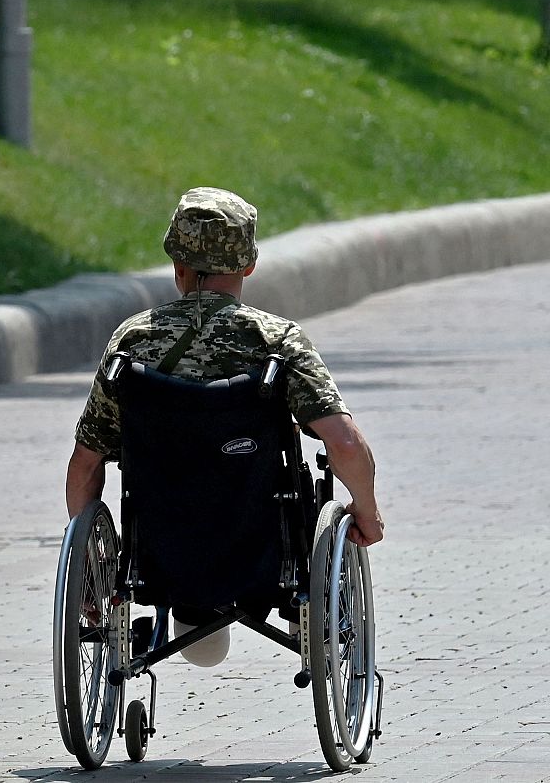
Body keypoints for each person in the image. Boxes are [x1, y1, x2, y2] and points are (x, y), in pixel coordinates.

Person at [66, 187, 383, 664]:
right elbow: (341, 440)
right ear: (248, 265)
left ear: (177, 263)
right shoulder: (276, 341)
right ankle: (301, 614)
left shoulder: (133, 341)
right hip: (263, 550)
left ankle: (188, 618)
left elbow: (86, 463)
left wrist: (90, 570)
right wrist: (367, 510)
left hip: (159, 553)